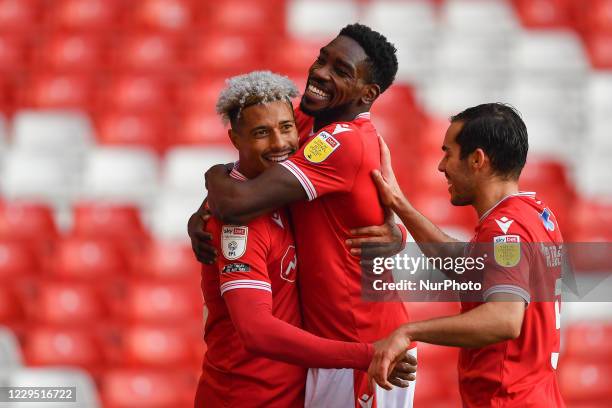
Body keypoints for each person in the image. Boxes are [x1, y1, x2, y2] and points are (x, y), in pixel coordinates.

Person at [191, 24, 417, 407]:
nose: (321, 73)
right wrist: (205, 204)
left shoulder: (342, 139)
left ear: (368, 94)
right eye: (322, 58)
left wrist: (213, 176)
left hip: (364, 345)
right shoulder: (307, 120)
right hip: (332, 347)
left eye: (341, 71)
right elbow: (253, 152)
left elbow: (236, 201)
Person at [367, 103, 565, 407]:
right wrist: (399, 204)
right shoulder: (536, 215)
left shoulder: (505, 232)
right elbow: (467, 266)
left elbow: (504, 319)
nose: (441, 166)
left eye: (448, 153)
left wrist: (409, 331)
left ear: (477, 160)